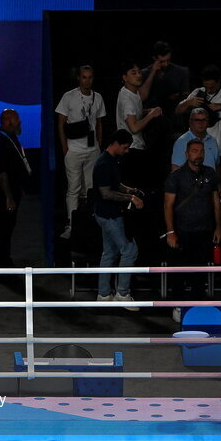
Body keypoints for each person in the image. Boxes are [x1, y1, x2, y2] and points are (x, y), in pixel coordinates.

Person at [163, 138, 221, 322]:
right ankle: (179, 306)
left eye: (201, 151)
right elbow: (168, 205)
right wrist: (171, 232)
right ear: (187, 154)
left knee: (200, 271)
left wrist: (218, 227)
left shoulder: (210, 173)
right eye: (195, 151)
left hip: (204, 231)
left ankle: (198, 308)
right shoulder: (176, 176)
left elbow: (216, 202)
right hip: (182, 232)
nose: (199, 154)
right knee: (179, 272)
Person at [93, 129, 141, 308]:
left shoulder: (109, 160)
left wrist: (127, 189)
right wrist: (131, 198)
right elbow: (106, 193)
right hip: (109, 216)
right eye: (125, 147)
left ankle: (104, 295)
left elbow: (113, 184)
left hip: (105, 214)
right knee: (129, 251)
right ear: (115, 144)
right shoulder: (104, 163)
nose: (127, 151)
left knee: (109, 254)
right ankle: (122, 293)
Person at [56, 65, 105, 241]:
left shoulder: (97, 97)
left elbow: (99, 122)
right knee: (74, 188)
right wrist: (64, 147)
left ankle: (90, 221)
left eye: (90, 77)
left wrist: (99, 143)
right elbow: (60, 123)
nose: (87, 80)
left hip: (92, 149)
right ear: (78, 78)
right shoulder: (69, 97)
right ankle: (71, 224)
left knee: (91, 188)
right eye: (84, 77)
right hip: (74, 148)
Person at [0, 108, 31, 267]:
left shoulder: (11, 137)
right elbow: (2, 175)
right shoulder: (0, 142)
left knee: (8, 227)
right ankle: (2, 265)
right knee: (3, 228)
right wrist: (9, 197)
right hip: (5, 195)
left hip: (13, 190)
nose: (19, 122)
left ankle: (5, 261)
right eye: (16, 120)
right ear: (7, 122)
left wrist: (19, 187)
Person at [116, 61, 161, 187]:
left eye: (139, 72)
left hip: (134, 149)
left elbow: (141, 98)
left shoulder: (131, 92)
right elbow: (134, 127)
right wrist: (151, 115)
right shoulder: (127, 99)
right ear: (125, 77)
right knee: (135, 189)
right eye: (133, 73)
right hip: (131, 151)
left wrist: (148, 111)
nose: (138, 75)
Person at [170, 107, 220, 177]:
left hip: (210, 185)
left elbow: (216, 166)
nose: (201, 123)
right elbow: (176, 170)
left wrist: (218, 185)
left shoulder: (213, 141)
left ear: (208, 122)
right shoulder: (181, 142)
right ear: (190, 122)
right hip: (190, 186)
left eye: (204, 120)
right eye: (197, 120)